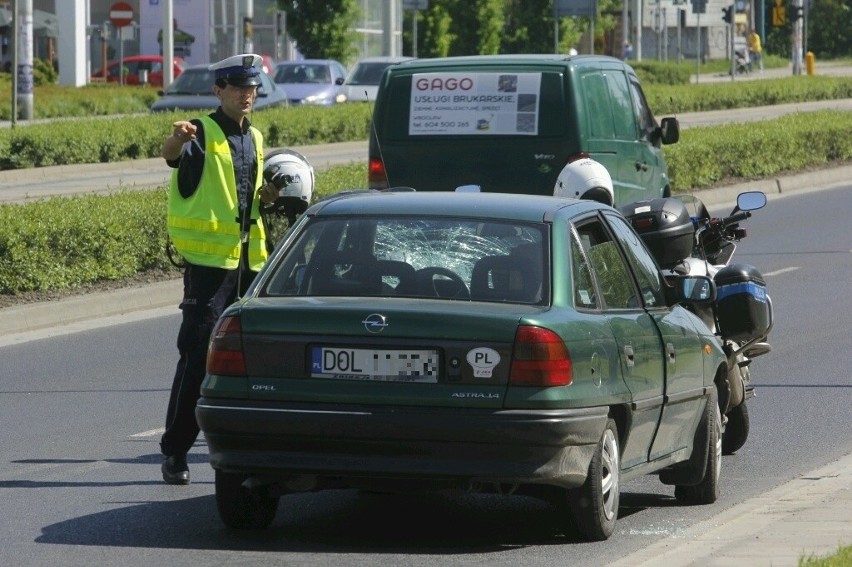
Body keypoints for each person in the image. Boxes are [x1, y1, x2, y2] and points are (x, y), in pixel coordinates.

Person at [159, 53, 279, 485]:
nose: (247, 95)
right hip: (210, 268)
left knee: (251, 360)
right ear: (218, 90)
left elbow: (243, 197)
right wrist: (176, 139)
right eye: (238, 87)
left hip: (251, 264)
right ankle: (175, 451)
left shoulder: (256, 136)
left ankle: (249, 451)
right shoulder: (201, 132)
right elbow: (172, 156)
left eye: (252, 88)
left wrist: (265, 198)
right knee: (197, 357)